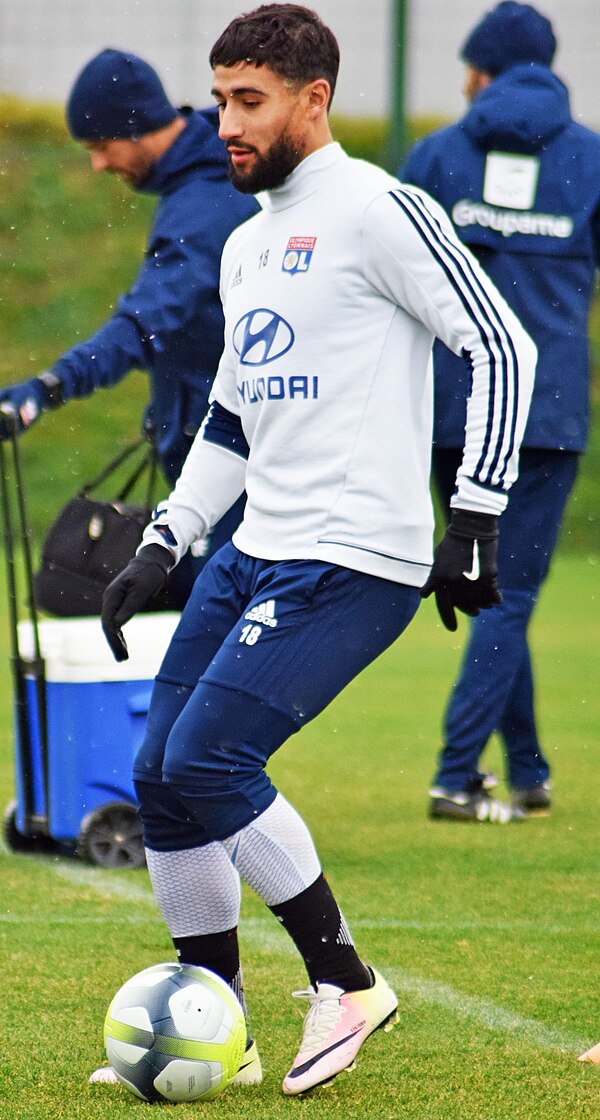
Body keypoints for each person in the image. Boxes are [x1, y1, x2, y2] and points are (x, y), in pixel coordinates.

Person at [98, 3, 535, 1096]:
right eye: (220, 102)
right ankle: (223, 1022)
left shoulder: (382, 210)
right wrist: (166, 540)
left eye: (249, 102)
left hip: (354, 559)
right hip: (255, 546)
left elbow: (502, 346)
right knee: (159, 778)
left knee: (207, 761)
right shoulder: (246, 245)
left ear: (314, 99)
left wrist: (475, 515)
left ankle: (347, 981)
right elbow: (236, 421)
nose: (227, 124)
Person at [401, 1, 600, 823]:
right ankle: (455, 773)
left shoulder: (437, 155)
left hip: (455, 404)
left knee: (493, 587)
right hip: (547, 408)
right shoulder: (591, 160)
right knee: (507, 591)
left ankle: (525, 766)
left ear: (482, 72)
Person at [0, 49, 259, 601]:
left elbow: (143, 325)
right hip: (219, 450)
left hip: (235, 461)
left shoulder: (204, 205)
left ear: (137, 127)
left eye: (101, 147)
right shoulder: (202, 186)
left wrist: (47, 389)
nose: (97, 165)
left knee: (217, 635)